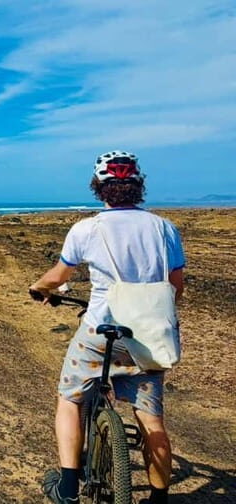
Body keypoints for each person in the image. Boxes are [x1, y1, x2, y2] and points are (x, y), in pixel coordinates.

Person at [29, 151, 185, 504]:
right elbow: (177, 285)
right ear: (137, 186)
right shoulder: (165, 228)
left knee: (70, 399)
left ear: (100, 187)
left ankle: (67, 489)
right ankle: (159, 499)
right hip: (148, 336)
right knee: (151, 419)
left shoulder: (87, 228)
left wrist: (40, 288)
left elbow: (58, 276)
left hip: (101, 331)